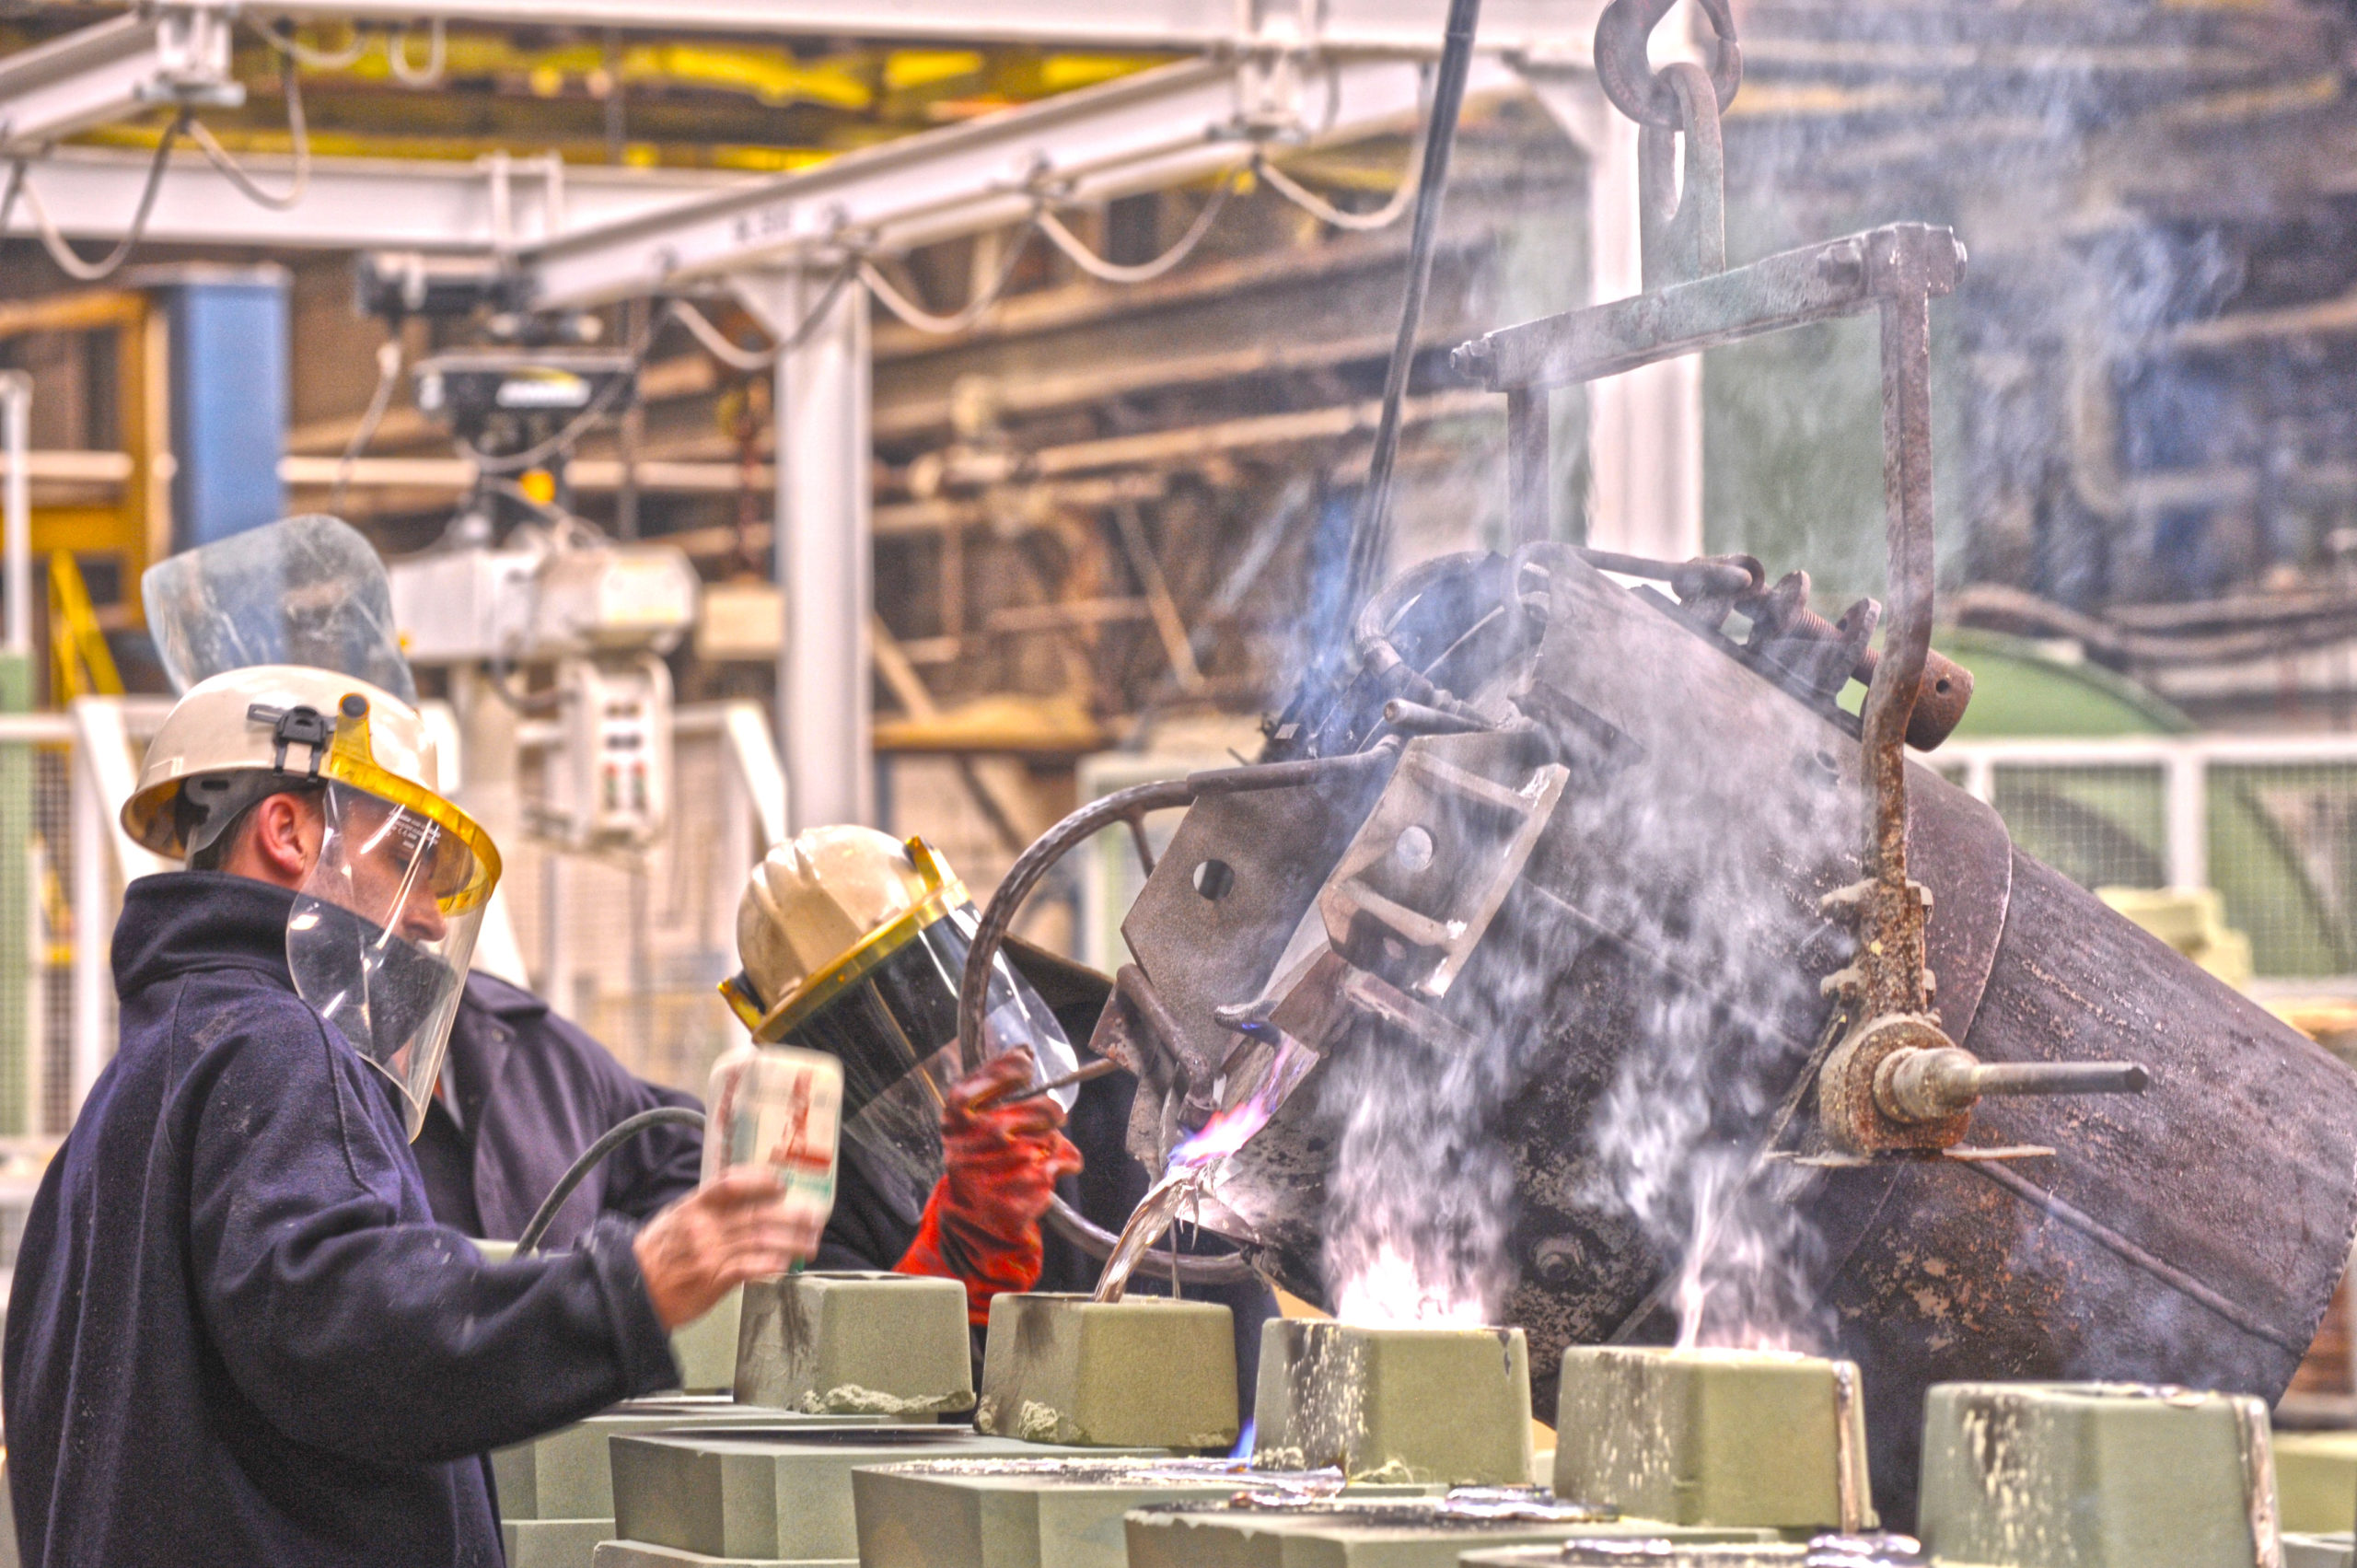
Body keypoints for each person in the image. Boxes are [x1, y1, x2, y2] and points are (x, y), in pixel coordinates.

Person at [4, 667, 818, 1568]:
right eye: (406, 862)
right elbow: (346, 1326)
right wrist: (626, 1288)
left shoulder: (134, 1089)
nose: (431, 919)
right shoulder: (279, 1047)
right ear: (288, 829)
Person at [720, 827, 1275, 1402]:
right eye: (872, 1048)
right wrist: (953, 1258)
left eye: (925, 995)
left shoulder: (1122, 1087)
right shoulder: (811, 1206)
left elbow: (1249, 1357)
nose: (935, 1061)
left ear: (973, 965)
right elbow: (844, 1406)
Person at [411, 973, 702, 1249]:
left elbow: (685, 1147)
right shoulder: (365, 1089)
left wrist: (623, 1278)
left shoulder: (529, 1033)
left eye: (447, 914)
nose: (434, 922)